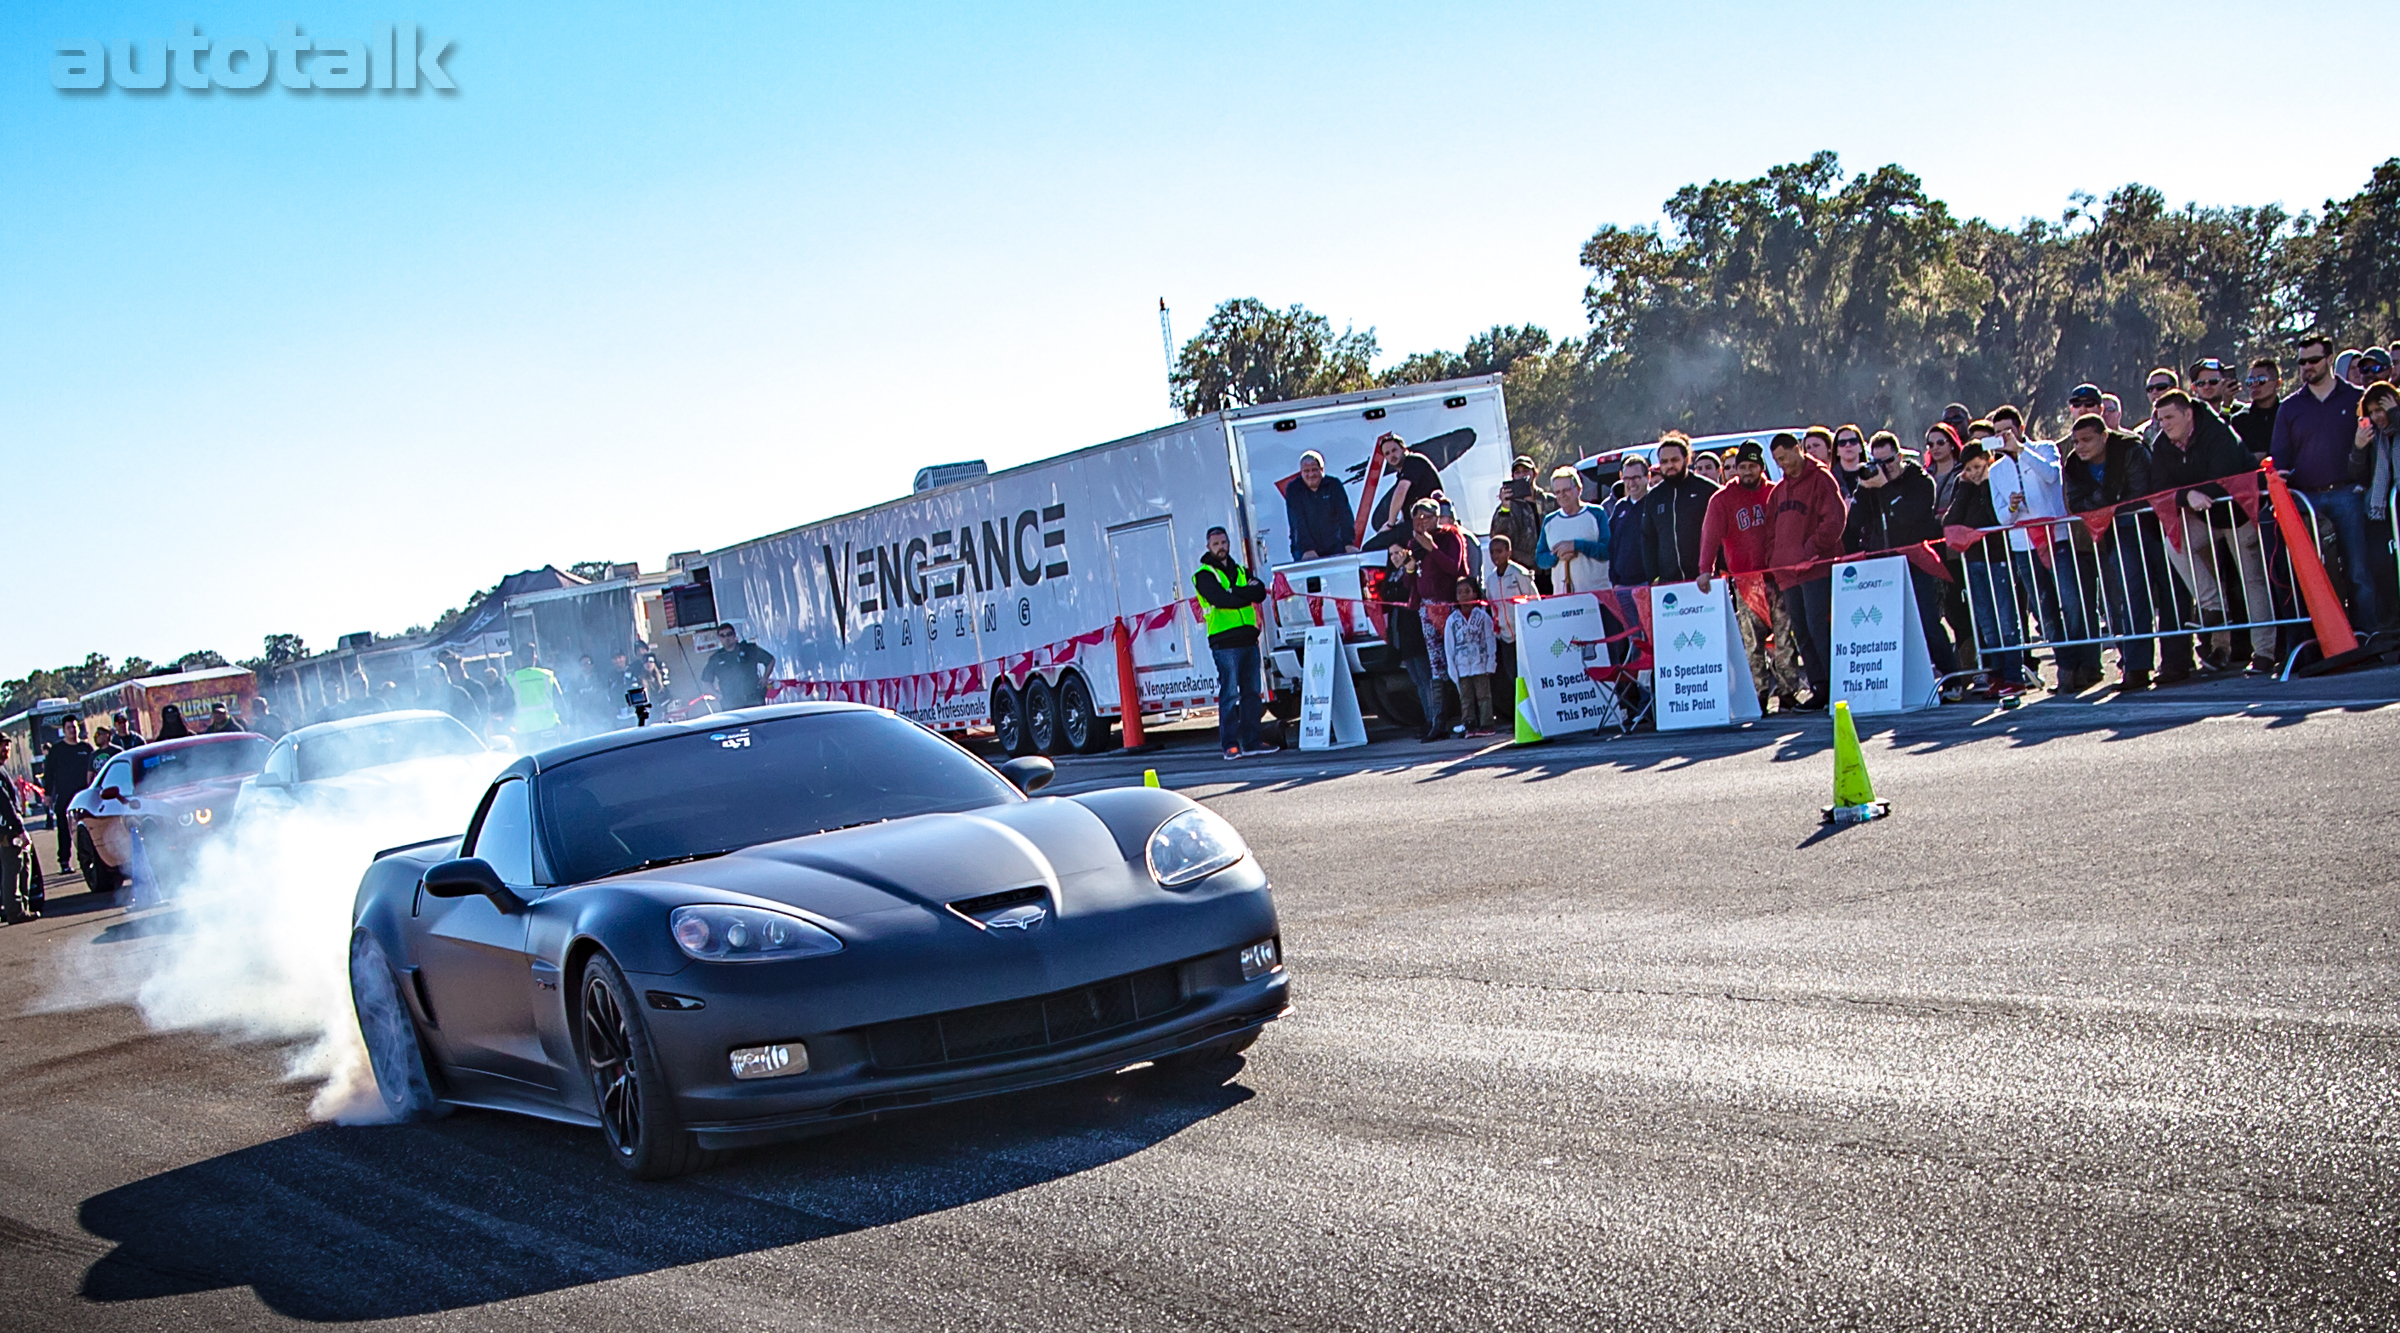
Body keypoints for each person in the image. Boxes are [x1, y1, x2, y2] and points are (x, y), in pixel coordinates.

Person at [2150, 389, 2278, 673]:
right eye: (2160, 419)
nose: (2165, 424)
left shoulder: (2219, 433)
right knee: (2176, 544)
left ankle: (2265, 652)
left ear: (2188, 413)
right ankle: (2213, 607)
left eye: (2170, 417)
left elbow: (2226, 477)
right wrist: (2187, 496)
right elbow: (2158, 487)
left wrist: (2194, 493)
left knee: (2252, 581)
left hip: (2240, 514)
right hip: (2204, 516)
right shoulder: (2162, 445)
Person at [2272, 333, 2383, 632]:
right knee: (2316, 576)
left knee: (2358, 571)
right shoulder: (2290, 407)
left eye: (2313, 360)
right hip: (2307, 502)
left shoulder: (2355, 397)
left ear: (2329, 359)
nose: (2306, 367)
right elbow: (2280, 456)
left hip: (2348, 495)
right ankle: (2330, 641)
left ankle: (2368, 636)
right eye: (2301, 362)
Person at [1984, 404, 2093, 689]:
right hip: (2023, 545)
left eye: (2007, 431)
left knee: (2071, 601)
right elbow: (2002, 517)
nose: (2002, 437)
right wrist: (2011, 506)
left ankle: (2083, 661)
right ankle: (2066, 666)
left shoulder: (2044, 449)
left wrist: (2021, 450)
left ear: (2020, 429)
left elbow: (2051, 476)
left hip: (2056, 537)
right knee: (2044, 608)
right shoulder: (1996, 471)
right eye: (1996, 433)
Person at [1696, 441, 1803, 710]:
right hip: (1746, 581)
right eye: (1741, 466)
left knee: (1784, 636)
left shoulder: (1775, 493)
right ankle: (1759, 693)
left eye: (1752, 466)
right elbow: (1710, 537)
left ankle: (1789, 690)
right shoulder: (1722, 499)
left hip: (1778, 577)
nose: (1746, 472)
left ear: (1761, 467)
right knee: (1751, 642)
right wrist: (1704, 570)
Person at [1845, 430, 1958, 676]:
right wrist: (1863, 490)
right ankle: (1905, 677)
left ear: (1900, 457)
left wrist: (1885, 488)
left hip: (1916, 562)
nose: (1885, 467)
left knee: (1927, 621)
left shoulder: (1921, 481)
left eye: (1889, 461)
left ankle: (1950, 676)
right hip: (1882, 564)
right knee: (1887, 626)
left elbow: (1909, 516)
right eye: (1878, 462)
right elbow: (1854, 522)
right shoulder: (1870, 483)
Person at [2061, 412, 2161, 690]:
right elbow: (2078, 504)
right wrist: (2110, 499)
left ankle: (2178, 662)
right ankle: (2137, 667)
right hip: (2117, 533)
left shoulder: (2131, 448)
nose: (2080, 446)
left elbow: (2139, 492)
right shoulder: (2073, 464)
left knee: (2168, 594)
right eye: (2076, 441)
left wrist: (2104, 502)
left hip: (2151, 526)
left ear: (2104, 436)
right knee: (2131, 596)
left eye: (2087, 440)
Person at [1764, 431, 1845, 708]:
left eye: (1785, 457)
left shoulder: (1821, 479)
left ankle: (1836, 685)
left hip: (1815, 568)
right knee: (1802, 631)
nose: (1782, 464)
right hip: (1788, 574)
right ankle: (1818, 686)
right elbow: (1770, 532)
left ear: (1797, 449)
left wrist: (1811, 551)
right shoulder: (1778, 492)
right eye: (1777, 460)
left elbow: (1834, 521)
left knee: (1818, 627)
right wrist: (1775, 561)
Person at [1945, 440, 2032, 693]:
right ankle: (1997, 674)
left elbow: (1997, 515)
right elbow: (1952, 520)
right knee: (1985, 619)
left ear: (1989, 461)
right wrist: (1964, 488)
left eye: (1978, 467)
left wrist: (1985, 484)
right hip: (1974, 561)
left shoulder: (1995, 482)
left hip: (1998, 558)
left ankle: (2014, 674)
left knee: (2006, 617)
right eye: (1969, 469)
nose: (1974, 474)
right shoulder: (1965, 488)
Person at [1193, 526, 1276, 759]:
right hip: (1224, 642)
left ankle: (1252, 742)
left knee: (1252, 693)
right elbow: (1219, 599)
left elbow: (1259, 592)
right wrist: (1241, 594)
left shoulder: (1240, 570)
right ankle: (1230, 745)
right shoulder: (1204, 574)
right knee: (1229, 695)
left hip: (1249, 639)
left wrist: (1233, 591)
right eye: (1216, 544)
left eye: (1224, 542)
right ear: (1209, 547)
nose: (1221, 547)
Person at [1406, 499, 1471, 734]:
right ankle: (1439, 721)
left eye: (1426, 516)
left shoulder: (1449, 538)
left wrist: (1432, 547)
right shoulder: (1414, 543)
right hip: (1427, 609)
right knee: (1436, 665)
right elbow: (1410, 581)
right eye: (1417, 517)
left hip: (1450, 607)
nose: (1422, 522)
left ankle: (1469, 717)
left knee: (1460, 660)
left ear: (1436, 517)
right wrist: (1409, 566)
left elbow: (1456, 568)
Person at [1923, 421, 1979, 674]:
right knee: (1944, 608)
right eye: (1930, 444)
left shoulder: (1962, 472)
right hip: (1934, 552)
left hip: (1959, 551)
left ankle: (1971, 660)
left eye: (1940, 442)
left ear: (1952, 442)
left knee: (1961, 606)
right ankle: (1956, 661)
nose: (1935, 448)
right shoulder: (1926, 475)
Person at [1641, 434, 1718, 585]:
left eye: (1674, 460)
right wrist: (1653, 577)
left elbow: (1722, 535)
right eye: (1664, 461)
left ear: (1687, 459)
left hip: (1706, 580)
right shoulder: (1654, 497)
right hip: (1668, 585)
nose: (1669, 465)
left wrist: (1719, 570)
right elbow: (1648, 539)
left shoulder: (1708, 490)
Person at [2359, 380, 2400, 627]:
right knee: (2382, 564)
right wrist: (2358, 447)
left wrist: (2396, 414)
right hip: (2381, 509)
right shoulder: (2374, 437)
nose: (2377, 416)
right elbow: (2358, 472)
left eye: (2381, 409)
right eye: (2372, 411)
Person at [1363, 433, 1446, 549]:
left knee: (1370, 548)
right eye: (1387, 453)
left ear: (1404, 449)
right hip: (1416, 523)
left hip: (1426, 521)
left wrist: (1390, 524)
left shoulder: (1413, 461)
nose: (1392, 455)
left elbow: (1400, 491)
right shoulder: (1403, 474)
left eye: (1394, 450)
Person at [1536, 465, 1610, 594]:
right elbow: (1540, 559)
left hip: (1597, 596)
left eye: (1566, 490)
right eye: (1557, 492)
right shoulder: (1550, 521)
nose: (1562, 495)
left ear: (1579, 489)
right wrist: (1557, 555)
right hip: (1563, 599)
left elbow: (1607, 551)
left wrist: (1577, 546)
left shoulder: (1596, 513)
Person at [1443, 577, 1499, 737]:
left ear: (1474, 593)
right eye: (1460, 593)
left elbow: (1490, 640)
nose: (1464, 596)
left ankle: (1487, 724)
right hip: (1461, 667)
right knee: (1465, 697)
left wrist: (1490, 663)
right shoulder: (1452, 620)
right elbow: (1449, 646)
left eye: (1467, 592)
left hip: (1480, 664)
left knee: (1484, 696)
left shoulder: (1482, 617)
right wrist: (1452, 668)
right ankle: (1469, 724)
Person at [1484, 533, 1536, 699]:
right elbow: (1492, 605)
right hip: (1506, 637)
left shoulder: (1519, 573)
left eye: (1499, 551)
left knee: (1530, 674)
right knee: (1513, 676)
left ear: (1508, 552)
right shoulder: (1491, 579)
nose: (1495, 556)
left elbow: (1534, 600)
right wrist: (1497, 628)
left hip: (1524, 635)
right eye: (1492, 552)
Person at [42, 717, 96, 873]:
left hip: (84, 796)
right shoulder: (57, 750)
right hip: (64, 796)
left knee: (86, 829)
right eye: (69, 728)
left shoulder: (86, 748)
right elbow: (49, 773)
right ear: (63, 730)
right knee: (64, 830)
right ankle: (64, 862)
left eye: (74, 727)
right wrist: (48, 794)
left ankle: (89, 860)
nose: (72, 730)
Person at [1284, 450, 1357, 562]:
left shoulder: (1334, 485)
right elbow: (1297, 522)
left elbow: (1345, 516)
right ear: (1301, 472)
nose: (1311, 474)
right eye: (1306, 471)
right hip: (1304, 549)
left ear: (1322, 470)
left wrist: (1348, 543)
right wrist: (1307, 549)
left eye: (1314, 470)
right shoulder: (1294, 489)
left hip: (1334, 546)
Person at [0, 735, 41, 921]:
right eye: (1, 746)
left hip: (8, 827)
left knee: (21, 864)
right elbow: (5, 804)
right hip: (7, 829)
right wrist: (19, 829)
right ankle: (14, 910)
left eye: (7, 745)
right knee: (14, 866)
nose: (5, 749)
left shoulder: (2, 770)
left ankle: (19, 906)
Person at [1486, 455, 1546, 583]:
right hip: (1523, 571)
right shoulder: (1509, 505)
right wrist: (1505, 508)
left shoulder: (1548, 501)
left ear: (1534, 473)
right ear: (1513, 477)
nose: (1522, 475)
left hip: (1550, 568)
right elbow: (1498, 537)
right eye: (1517, 472)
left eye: (1525, 471)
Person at [699, 624, 776, 711]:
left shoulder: (749, 650)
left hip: (754, 699)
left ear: (734, 635)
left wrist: (765, 677)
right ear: (719, 638)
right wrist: (716, 694)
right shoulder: (716, 658)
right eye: (723, 635)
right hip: (731, 704)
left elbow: (770, 660)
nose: (727, 638)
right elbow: (706, 680)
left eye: (729, 634)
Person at [1604, 455, 1651, 590]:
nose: (1631, 483)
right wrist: (1614, 580)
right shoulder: (1620, 507)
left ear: (1647, 477)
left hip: (1647, 583)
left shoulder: (1655, 502)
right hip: (1622, 585)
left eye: (1636, 478)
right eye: (1627, 478)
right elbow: (1612, 545)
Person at [508, 649, 570, 742]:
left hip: (524, 731)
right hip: (549, 727)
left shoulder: (511, 679)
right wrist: (565, 722)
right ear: (535, 658)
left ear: (518, 659)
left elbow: (507, 706)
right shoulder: (548, 675)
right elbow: (559, 702)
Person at [2232, 358, 2282, 460]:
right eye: (2250, 381)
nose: (2255, 385)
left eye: (2261, 380)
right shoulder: (2240, 420)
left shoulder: (2287, 414)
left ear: (2277, 383)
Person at [2136, 368, 2179, 444]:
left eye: (2161, 387)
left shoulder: (2190, 425)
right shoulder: (2141, 434)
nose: (2154, 392)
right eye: (2150, 389)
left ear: (2175, 389)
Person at [1830, 424, 1869, 500]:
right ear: (1837, 451)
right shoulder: (1829, 480)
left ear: (1861, 447)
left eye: (1853, 441)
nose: (1848, 445)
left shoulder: (1873, 476)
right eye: (1842, 443)